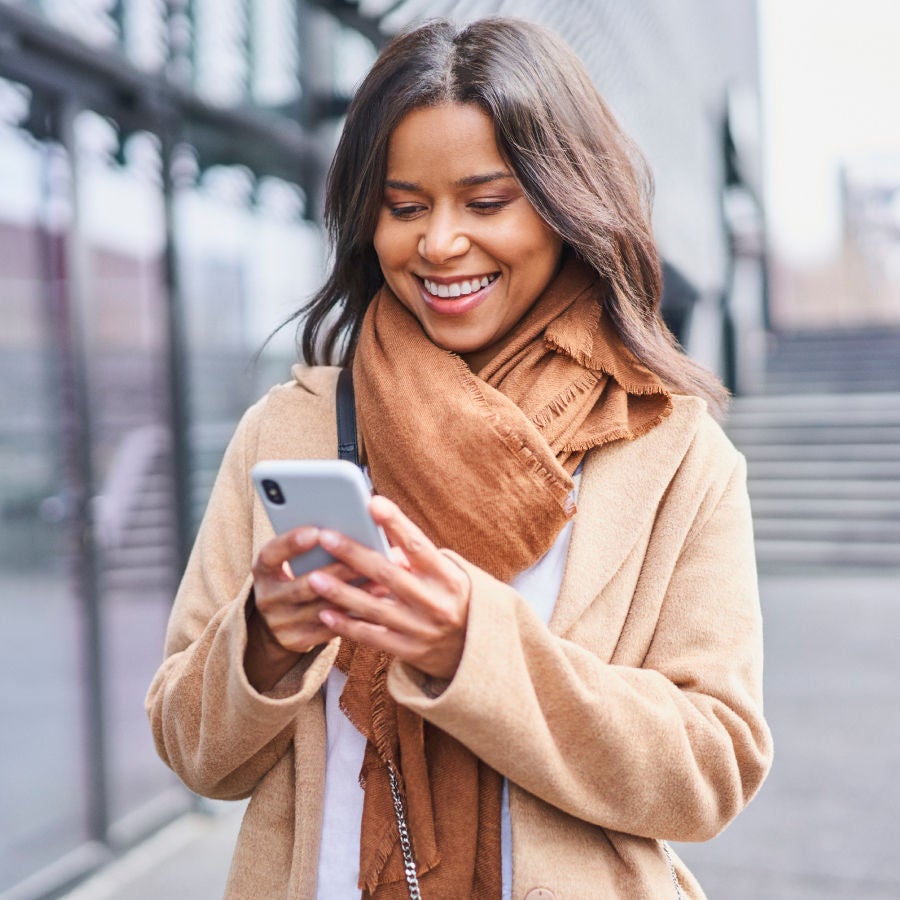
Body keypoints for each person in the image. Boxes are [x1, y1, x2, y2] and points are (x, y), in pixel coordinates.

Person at [146, 17, 773, 900]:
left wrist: (472, 648)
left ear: (564, 201)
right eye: (405, 208)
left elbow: (713, 768)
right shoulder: (287, 432)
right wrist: (262, 643)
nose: (439, 243)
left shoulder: (672, 451)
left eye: (486, 203)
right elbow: (191, 749)